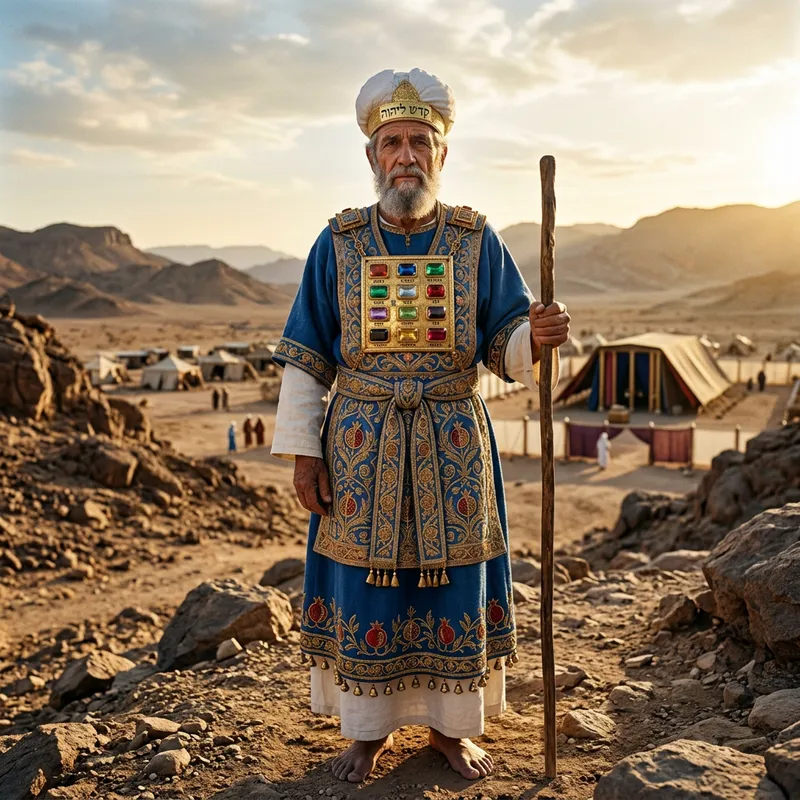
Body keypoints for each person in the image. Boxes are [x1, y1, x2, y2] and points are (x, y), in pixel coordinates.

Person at [270, 68, 570, 785]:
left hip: (453, 442)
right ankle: (366, 735)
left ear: (442, 154)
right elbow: (307, 354)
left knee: (449, 585)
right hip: (360, 446)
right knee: (364, 587)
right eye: (392, 142)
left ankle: (447, 729)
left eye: (420, 142)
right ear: (374, 156)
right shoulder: (337, 242)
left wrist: (540, 335)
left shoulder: (476, 239)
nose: (406, 155)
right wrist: (303, 457)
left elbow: (505, 343)